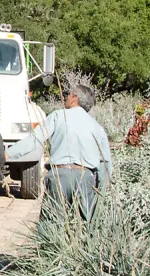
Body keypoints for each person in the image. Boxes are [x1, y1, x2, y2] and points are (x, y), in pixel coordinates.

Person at [41, 81, 113, 221]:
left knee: (51, 222)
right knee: (87, 224)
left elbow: (34, 139)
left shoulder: (58, 116)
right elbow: (105, 163)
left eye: (68, 95)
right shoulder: (97, 127)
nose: (66, 97)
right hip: (85, 178)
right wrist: (101, 189)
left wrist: (8, 154)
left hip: (59, 175)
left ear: (75, 99)